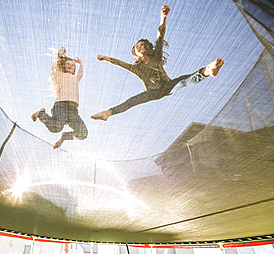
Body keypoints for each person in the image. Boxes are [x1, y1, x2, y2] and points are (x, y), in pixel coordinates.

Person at [91, 5, 224, 121]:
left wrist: (163, 17)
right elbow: (123, 64)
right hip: (153, 92)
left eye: (142, 45)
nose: (139, 47)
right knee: (133, 100)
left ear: (147, 48)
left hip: (167, 86)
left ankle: (208, 70)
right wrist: (107, 58)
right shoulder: (138, 69)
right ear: (136, 54)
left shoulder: (156, 57)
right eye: (137, 47)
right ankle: (108, 113)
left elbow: (160, 36)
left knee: (183, 81)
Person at [32, 47, 88, 149]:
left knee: (83, 134)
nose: (71, 66)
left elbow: (81, 74)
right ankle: (40, 114)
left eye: (72, 65)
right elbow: (57, 64)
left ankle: (65, 136)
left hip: (72, 110)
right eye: (68, 64)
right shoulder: (60, 75)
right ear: (64, 66)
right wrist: (60, 53)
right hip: (61, 105)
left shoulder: (75, 79)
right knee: (55, 128)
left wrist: (81, 63)